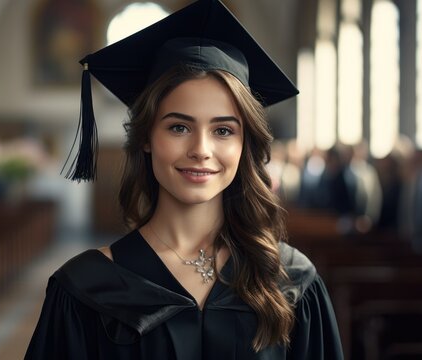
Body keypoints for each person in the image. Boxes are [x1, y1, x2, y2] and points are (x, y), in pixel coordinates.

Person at [25, 1, 343, 359]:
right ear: (146, 138)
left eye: (223, 130)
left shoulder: (292, 282)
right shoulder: (86, 288)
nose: (201, 149)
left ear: (244, 144)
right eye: (179, 127)